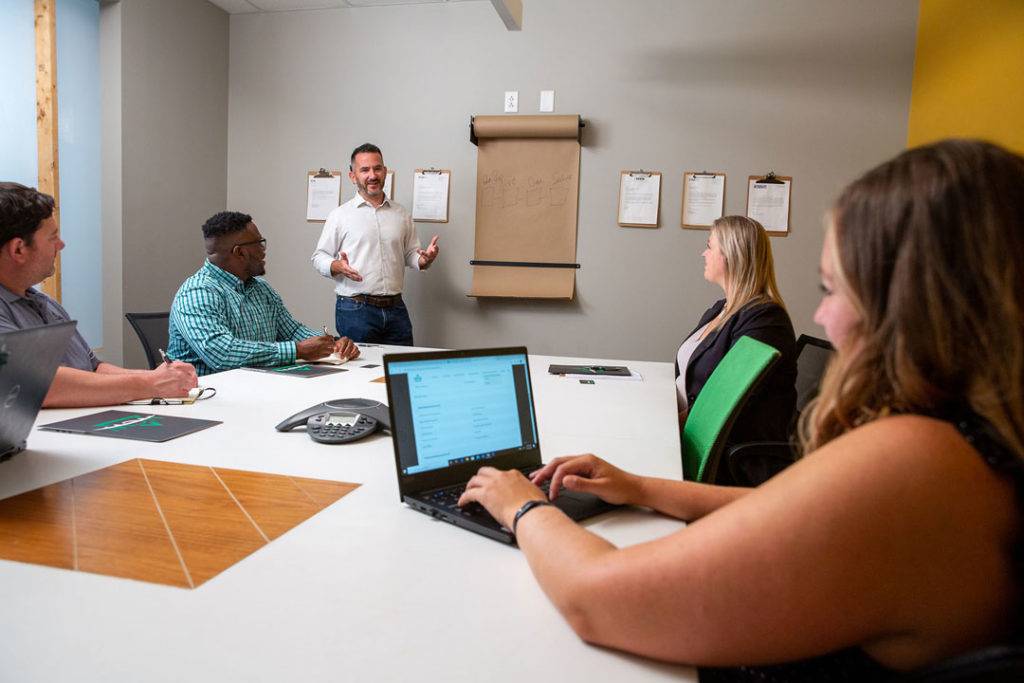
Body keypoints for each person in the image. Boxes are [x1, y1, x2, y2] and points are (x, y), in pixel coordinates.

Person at [458, 140, 1024, 679]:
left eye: (834, 289)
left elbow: (594, 597)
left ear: (917, 305)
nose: (822, 320)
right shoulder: (973, 455)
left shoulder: (917, 461)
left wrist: (522, 506)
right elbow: (787, 508)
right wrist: (643, 486)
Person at [0, 182, 198, 407]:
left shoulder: (44, 304)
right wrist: (151, 384)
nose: (61, 245)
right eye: (53, 237)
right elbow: (32, 384)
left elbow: (94, 367)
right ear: (18, 249)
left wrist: (160, 378)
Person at [168, 211, 359, 376]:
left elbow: (291, 331)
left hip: (256, 387)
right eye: (260, 243)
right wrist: (297, 351)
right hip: (208, 398)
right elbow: (223, 353)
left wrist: (332, 343)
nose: (264, 250)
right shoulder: (198, 292)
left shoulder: (260, 287)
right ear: (240, 253)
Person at [677, 216, 797, 452]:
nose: (704, 253)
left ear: (731, 255)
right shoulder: (720, 310)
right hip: (685, 429)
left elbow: (728, 399)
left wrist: (669, 425)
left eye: (710, 246)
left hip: (712, 449)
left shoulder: (765, 320)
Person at [311, 143, 439, 346]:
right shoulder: (340, 215)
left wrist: (424, 259)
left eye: (377, 168)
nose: (372, 175)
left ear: (385, 171)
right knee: (359, 374)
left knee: (399, 371)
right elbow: (319, 257)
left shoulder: (401, 214)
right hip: (355, 310)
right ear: (353, 176)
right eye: (364, 170)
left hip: (396, 309)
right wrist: (337, 266)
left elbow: (410, 255)